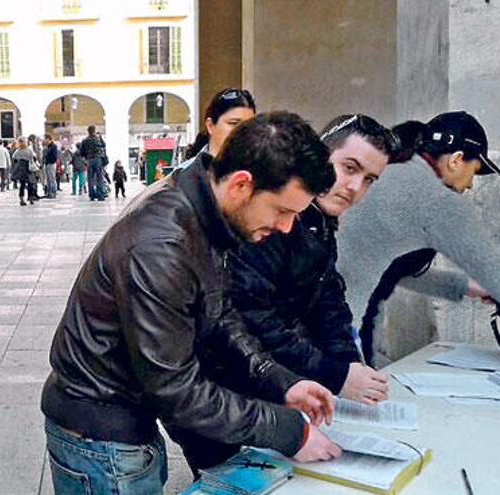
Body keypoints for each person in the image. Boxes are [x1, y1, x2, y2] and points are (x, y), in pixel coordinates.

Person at [41, 112, 342, 495]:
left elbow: (220, 316)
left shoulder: (206, 214)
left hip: (125, 422)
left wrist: (282, 382)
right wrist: (288, 431)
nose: (286, 228)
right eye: (282, 211)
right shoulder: (161, 247)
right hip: (100, 437)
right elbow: (177, 389)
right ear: (240, 185)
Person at [168, 114, 398, 476]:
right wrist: (330, 373)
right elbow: (247, 316)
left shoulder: (317, 220)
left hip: (261, 378)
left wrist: (344, 360)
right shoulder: (264, 218)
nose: (354, 187)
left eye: (368, 179)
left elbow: (326, 292)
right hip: (223, 387)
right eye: (348, 168)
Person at [336, 111, 500, 366]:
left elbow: (395, 271)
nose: (471, 185)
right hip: (340, 328)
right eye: (473, 171)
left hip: (342, 323)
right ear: (456, 160)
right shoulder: (432, 198)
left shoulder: (402, 184)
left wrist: (467, 287)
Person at [183, 87, 256, 163]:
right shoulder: (187, 173)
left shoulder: (260, 169)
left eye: (249, 125)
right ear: (210, 126)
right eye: (234, 123)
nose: (243, 131)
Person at [80, 125, 107, 201]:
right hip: (98, 159)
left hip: (89, 160)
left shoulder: (85, 140)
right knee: (99, 177)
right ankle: (100, 195)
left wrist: (86, 157)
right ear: (94, 130)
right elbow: (104, 145)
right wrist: (100, 136)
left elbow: (82, 152)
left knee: (90, 178)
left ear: (88, 131)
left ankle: (92, 195)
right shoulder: (98, 138)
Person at [12, 137, 37, 206]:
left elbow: (14, 158)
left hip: (20, 168)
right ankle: (31, 197)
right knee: (30, 183)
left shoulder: (18, 151)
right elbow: (34, 157)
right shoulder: (29, 149)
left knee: (22, 184)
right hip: (28, 167)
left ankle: (21, 198)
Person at [43, 134, 59, 199]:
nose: (44, 140)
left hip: (51, 164)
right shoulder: (47, 146)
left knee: (52, 179)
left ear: (48, 139)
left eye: (45, 139)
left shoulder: (53, 146)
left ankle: (53, 193)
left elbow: (55, 156)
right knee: (48, 179)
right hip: (47, 164)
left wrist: (50, 161)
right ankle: (49, 193)